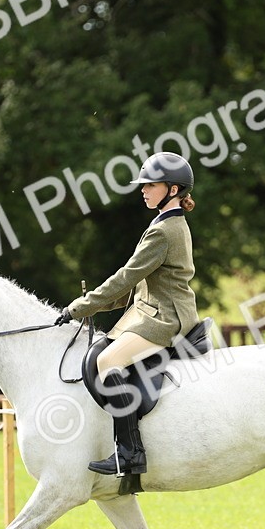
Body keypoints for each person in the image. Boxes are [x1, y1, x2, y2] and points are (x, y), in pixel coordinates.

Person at [55, 152, 200, 476]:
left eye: (151, 184)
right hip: (150, 309)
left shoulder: (164, 231)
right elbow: (135, 288)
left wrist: (81, 306)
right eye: (143, 185)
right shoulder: (164, 223)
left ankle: (130, 453)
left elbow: (126, 277)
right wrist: (95, 306)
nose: (143, 190)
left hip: (164, 316)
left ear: (173, 189)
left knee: (107, 362)